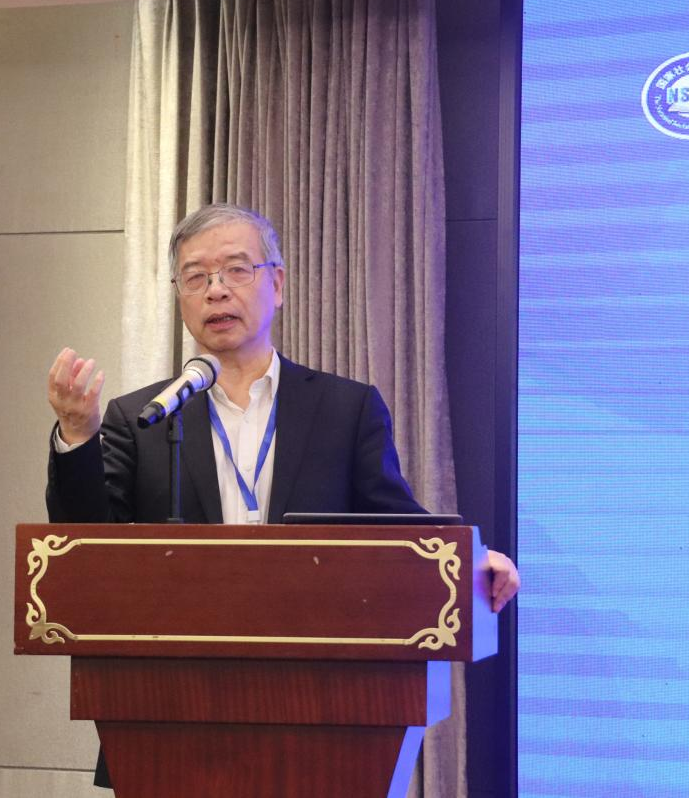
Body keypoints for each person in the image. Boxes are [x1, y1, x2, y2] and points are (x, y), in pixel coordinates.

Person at [45, 203, 520, 789]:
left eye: (236, 270)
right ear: (179, 297)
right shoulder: (142, 417)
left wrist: (474, 560)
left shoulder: (344, 409)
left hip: (323, 712)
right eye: (196, 277)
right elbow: (84, 549)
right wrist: (78, 435)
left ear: (278, 284)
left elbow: (398, 527)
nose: (216, 290)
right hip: (171, 711)